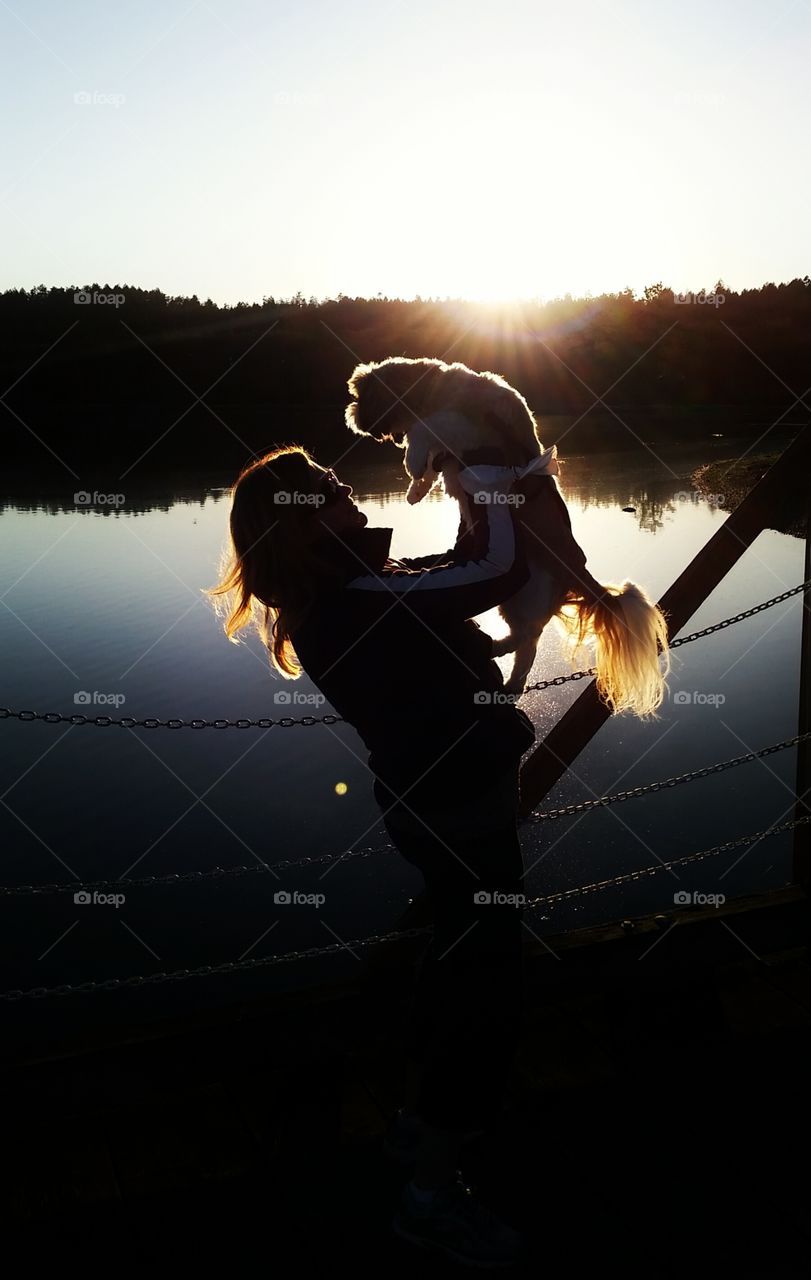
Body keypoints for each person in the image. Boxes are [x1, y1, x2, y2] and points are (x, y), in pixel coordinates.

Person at [208, 442, 546, 1267]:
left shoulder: (345, 589)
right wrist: (509, 489)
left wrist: (478, 501)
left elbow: (458, 567)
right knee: (490, 990)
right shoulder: (359, 595)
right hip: (458, 809)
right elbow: (493, 576)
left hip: (434, 805)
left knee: (458, 956)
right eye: (325, 488)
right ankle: (429, 1196)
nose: (342, 488)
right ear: (297, 518)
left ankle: (417, 1124)